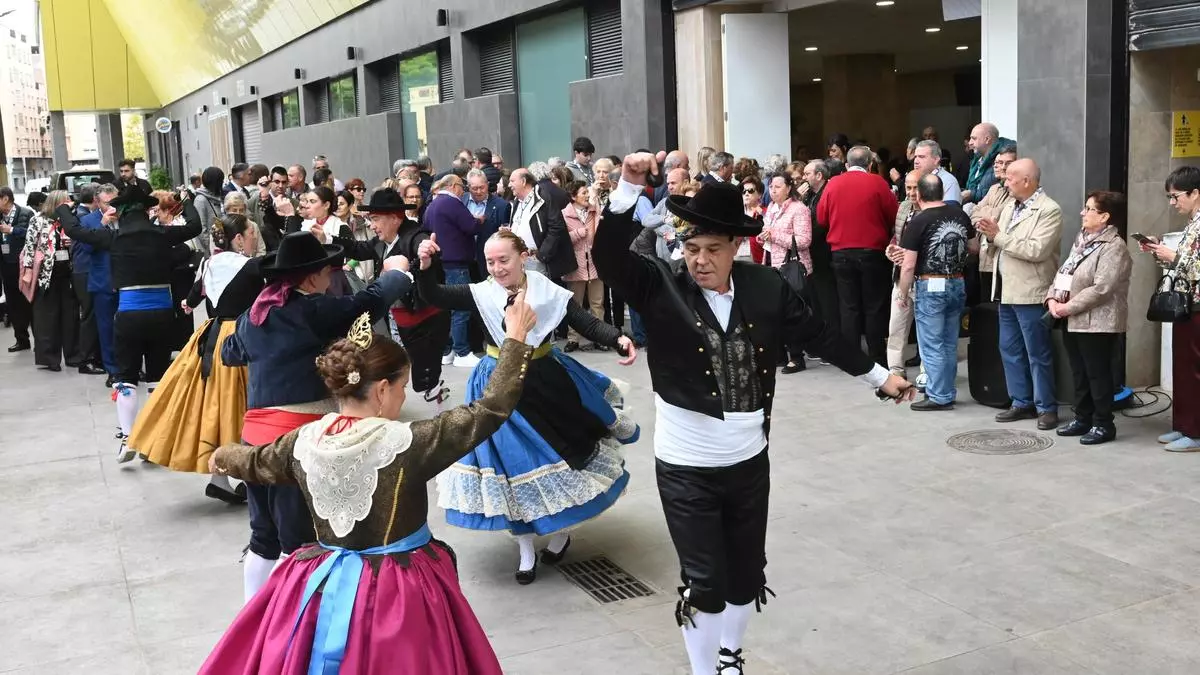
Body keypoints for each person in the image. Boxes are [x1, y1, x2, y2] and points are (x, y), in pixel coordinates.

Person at [592, 152, 913, 675]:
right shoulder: (661, 285)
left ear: (736, 247)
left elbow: (821, 337)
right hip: (686, 466)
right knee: (705, 583)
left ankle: (729, 654)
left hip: (747, 461)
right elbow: (608, 257)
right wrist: (628, 187)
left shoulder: (765, 287)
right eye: (691, 248)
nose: (699, 260)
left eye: (712, 249)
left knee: (745, 576)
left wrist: (880, 377)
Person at [200, 309, 534, 674]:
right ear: (381, 390)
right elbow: (489, 409)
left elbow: (255, 461)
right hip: (401, 589)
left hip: (323, 580)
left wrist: (222, 456)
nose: (403, 396)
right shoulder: (407, 442)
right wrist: (515, 340)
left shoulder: (304, 441)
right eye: (402, 387)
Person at [416, 229, 640, 583]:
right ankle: (525, 550)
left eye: (503, 260)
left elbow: (582, 320)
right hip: (497, 388)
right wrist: (428, 265)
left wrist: (617, 337)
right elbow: (434, 294)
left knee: (560, 460)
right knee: (510, 467)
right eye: (490, 262)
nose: (497, 269)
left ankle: (561, 532)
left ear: (524, 256)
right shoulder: (481, 292)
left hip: (546, 383)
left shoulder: (545, 290)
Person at [219, 231, 413, 603]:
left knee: (262, 537)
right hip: (292, 442)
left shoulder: (254, 315)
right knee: (298, 542)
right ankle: (291, 622)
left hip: (252, 439)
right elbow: (369, 301)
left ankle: (252, 618)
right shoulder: (313, 311)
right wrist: (398, 272)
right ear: (311, 278)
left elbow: (230, 353)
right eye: (327, 270)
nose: (331, 276)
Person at [60, 185, 203, 462]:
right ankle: (155, 441)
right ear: (147, 211)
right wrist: (187, 201)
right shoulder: (163, 235)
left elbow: (75, 231)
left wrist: (64, 208)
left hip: (129, 314)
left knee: (125, 376)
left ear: (122, 213)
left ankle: (128, 438)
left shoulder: (113, 238)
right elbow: (195, 227)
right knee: (157, 377)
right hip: (163, 314)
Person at [127, 215, 264, 503]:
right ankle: (246, 475)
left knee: (214, 405)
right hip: (241, 337)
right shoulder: (251, 267)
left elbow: (192, 298)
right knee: (242, 405)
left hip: (211, 338)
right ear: (239, 239)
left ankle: (221, 478)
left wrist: (189, 303)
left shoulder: (208, 264)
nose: (255, 238)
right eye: (251, 233)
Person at [337, 188, 452, 406]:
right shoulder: (382, 241)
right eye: (371, 219)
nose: (372, 225)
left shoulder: (415, 236)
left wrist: (426, 253)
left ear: (394, 218)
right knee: (404, 368)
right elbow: (358, 249)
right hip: (400, 319)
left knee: (424, 379)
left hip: (426, 322)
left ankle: (442, 408)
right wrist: (326, 239)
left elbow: (426, 250)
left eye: (375, 219)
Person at [975, 158, 1062, 430]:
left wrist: (998, 236)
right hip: (1005, 290)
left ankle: (1046, 407)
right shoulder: (1010, 205)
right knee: (1009, 349)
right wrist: (989, 236)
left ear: (1027, 180)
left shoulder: (1049, 209)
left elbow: (1036, 250)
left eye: (1011, 176)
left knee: (1037, 352)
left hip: (1030, 292)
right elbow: (995, 244)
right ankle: (1021, 401)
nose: (1005, 180)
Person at [1049, 191, 1131, 445]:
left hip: (1098, 322)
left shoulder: (1114, 246)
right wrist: (1052, 298)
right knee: (1079, 372)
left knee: (1098, 374)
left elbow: (1102, 288)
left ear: (1104, 216)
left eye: (1089, 208)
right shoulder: (1082, 239)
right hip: (1072, 318)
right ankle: (1083, 418)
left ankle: (1103, 424)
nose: (1082, 213)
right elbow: (1065, 272)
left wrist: (1068, 307)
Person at [896, 173, 977, 410]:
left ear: (920, 194)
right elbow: (974, 248)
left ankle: (939, 395)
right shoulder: (960, 215)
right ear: (942, 192)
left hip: (930, 285)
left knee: (931, 344)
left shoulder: (918, 221)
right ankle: (946, 391)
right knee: (950, 342)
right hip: (957, 282)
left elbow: (908, 265)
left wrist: (903, 293)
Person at [1141, 166, 1200, 451]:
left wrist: (1173, 257)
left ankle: (1195, 432)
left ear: (1195, 192)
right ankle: (1184, 426)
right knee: (1183, 368)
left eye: (1176, 196)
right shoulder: (1192, 223)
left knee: (1195, 369)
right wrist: (1159, 251)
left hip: (1197, 304)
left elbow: (1191, 266)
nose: (1173, 202)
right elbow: (1183, 264)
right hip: (1186, 302)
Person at [758, 172, 813, 374]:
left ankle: (796, 356)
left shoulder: (799, 209)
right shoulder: (772, 208)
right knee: (774, 311)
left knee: (792, 312)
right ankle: (779, 354)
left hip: (791, 266)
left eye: (778, 187)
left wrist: (773, 235)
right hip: (771, 264)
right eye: (771, 186)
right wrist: (763, 236)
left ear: (789, 188)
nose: (773, 190)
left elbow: (804, 241)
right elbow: (767, 235)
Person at [19, 190, 80, 371]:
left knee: (71, 316)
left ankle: (73, 355)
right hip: (45, 274)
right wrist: (28, 270)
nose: (70, 204)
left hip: (68, 271)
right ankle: (49, 358)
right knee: (47, 317)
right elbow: (30, 246)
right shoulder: (38, 220)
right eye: (66, 201)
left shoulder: (70, 219)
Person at [561, 180, 604, 352]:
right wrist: (579, 233)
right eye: (583, 192)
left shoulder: (594, 211)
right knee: (575, 305)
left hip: (595, 263)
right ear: (573, 196)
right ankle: (573, 339)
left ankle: (601, 336)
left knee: (597, 303)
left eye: (587, 192)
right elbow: (562, 240)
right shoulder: (564, 215)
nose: (587, 196)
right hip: (576, 265)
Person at [0, 187, 35, 352]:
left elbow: (33, 234)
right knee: (13, 304)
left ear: (5, 199)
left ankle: (40, 342)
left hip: (24, 265)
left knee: (30, 303)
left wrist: (12, 230)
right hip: (6, 266)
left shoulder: (26, 213)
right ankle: (21, 340)